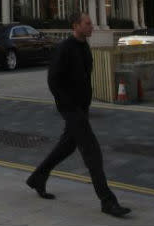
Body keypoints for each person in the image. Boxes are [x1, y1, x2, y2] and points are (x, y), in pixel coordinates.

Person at [26, 12, 131, 218]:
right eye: (88, 23)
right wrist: (67, 105)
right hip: (71, 108)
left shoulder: (84, 46)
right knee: (92, 151)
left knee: (67, 145)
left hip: (81, 107)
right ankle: (107, 201)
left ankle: (38, 177)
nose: (92, 26)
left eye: (91, 23)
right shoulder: (64, 48)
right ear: (76, 25)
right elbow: (53, 80)